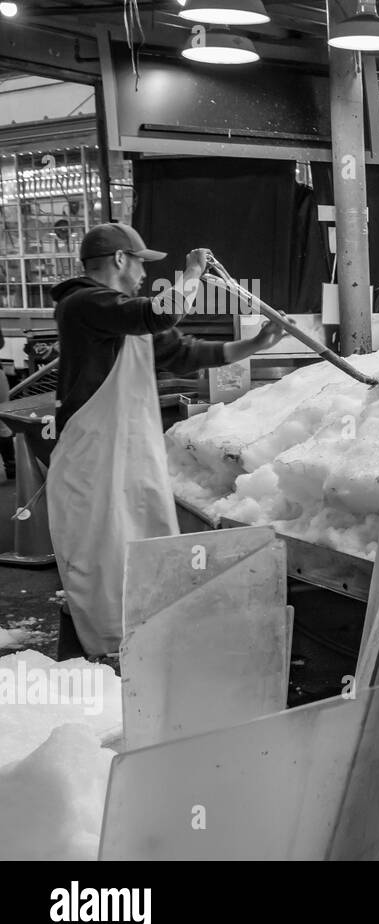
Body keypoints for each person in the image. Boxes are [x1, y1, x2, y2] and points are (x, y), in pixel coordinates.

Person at [47, 223, 285, 659]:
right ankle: (103, 656)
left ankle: (146, 645)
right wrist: (191, 274)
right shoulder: (83, 304)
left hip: (133, 457)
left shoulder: (124, 315)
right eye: (140, 262)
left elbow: (182, 350)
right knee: (101, 557)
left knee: (149, 544)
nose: (143, 273)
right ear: (120, 260)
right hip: (93, 460)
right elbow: (157, 314)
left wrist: (253, 344)